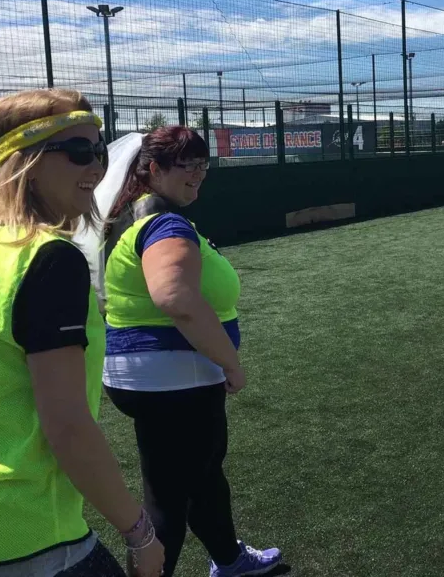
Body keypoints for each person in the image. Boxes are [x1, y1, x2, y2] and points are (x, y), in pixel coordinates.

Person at [0, 89, 165, 577]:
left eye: (100, 149)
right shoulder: (48, 259)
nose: (97, 168)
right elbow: (67, 428)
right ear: (28, 162)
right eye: (79, 152)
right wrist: (141, 533)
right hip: (17, 543)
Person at [101, 125, 281, 577]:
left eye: (204, 165)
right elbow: (176, 298)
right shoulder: (162, 221)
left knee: (201, 479)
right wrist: (230, 362)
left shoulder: (132, 215)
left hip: (151, 376)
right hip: (175, 379)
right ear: (155, 169)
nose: (199, 175)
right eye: (189, 166)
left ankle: (229, 559)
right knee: (167, 502)